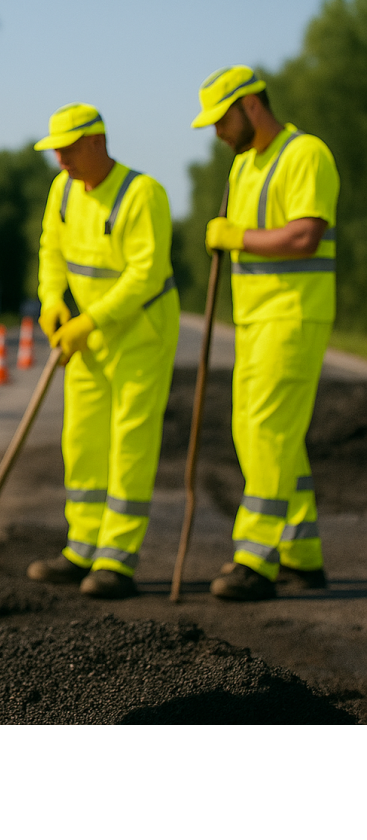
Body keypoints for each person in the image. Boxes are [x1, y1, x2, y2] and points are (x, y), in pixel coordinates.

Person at [191, 65, 339, 601]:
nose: (217, 133)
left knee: (269, 431)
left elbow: (305, 234)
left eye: (221, 120)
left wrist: (237, 236)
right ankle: (303, 554)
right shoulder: (245, 166)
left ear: (251, 105)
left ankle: (255, 558)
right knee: (256, 433)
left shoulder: (306, 154)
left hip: (295, 315)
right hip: (253, 320)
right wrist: (227, 239)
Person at [27, 102, 180, 599]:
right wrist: (52, 301)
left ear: (97, 142)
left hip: (140, 335)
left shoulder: (143, 194)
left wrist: (89, 320)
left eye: (68, 150)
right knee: (83, 440)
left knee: (129, 443)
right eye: (55, 152)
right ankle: (82, 548)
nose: (61, 161)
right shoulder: (62, 189)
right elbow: (51, 248)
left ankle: (117, 558)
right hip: (86, 336)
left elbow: (146, 275)